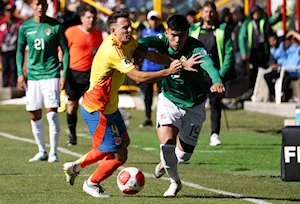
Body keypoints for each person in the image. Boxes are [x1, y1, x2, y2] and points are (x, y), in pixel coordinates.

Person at [62, 10, 198, 198]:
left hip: (110, 107)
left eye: (130, 26)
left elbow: (151, 55)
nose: (130, 29)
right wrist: (168, 72)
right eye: (125, 27)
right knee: (119, 155)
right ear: (113, 30)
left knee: (122, 143)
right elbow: (137, 77)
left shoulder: (129, 42)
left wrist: (176, 63)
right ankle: (91, 183)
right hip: (97, 109)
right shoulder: (112, 49)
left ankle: (76, 167)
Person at [137, 14, 225, 197]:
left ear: (188, 33)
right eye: (174, 35)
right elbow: (143, 41)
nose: (177, 40)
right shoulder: (161, 40)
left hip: (195, 105)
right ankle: (175, 182)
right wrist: (140, 50)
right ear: (167, 32)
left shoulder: (196, 47)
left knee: (183, 156)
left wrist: (216, 80)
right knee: (167, 146)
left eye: (182, 35)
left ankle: (164, 164)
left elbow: (208, 63)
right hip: (169, 101)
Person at [16, 0, 69, 163]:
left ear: (47, 7)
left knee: (52, 114)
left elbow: (65, 51)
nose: (40, 7)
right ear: (31, 6)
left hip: (51, 74)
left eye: (43, 4)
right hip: (32, 77)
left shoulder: (56, 26)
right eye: (37, 4)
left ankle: (53, 152)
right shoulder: (25, 27)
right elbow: (19, 51)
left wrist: (64, 74)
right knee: (34, 114)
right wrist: (20, 73)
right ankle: (42, 151)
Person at [189, 1, 233, 146]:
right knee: (193, 105)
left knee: (215, 105)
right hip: (197, 75)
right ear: (202, 12)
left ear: (215, 13)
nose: (209, 14)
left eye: (211, 11)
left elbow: (228, 52)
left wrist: (220, 75)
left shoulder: (222, 30)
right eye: (206, 11)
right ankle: (190, 133)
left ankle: (215, 134)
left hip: (215, 75)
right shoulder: (194, 29)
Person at [64, 4, 103, 146]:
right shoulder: (71, 32)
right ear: (81, 18)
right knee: (72, 105)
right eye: (88, 17)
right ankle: (72, 135)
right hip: (74, 74)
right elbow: (62, 50)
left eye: (93, 17)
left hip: (91, 75)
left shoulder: (98, 34)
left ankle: (97, 136)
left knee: (93, 106)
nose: (91, 20)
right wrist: (63, 70)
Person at [139, 10, 164, 127]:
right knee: (147, 96)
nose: (153, 22)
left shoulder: (164, 33)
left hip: (160, 69)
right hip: (147, 68)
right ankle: (147, 117)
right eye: (151, 19)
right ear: (148, 21)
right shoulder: (144, 32)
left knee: (162, 96)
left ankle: (162, 117)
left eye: (155, 19)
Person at [238, 5, 273, 89]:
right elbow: (241, 38)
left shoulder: (265, 22)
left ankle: (266, 90)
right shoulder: (247, 24)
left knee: (266, 71)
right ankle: (252, 89)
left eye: (258, 12)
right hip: (252, 53)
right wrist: (243, 52)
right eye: (255, 12)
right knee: (253, 73)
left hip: (263, 52)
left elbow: (272, 22)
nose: (257, 14)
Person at [0, 4, 22, 87]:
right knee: (5, 68)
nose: (9, 13)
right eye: (7, 11)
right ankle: (5, 84)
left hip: (13, 49)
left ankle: (13, 84)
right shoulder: (2, 22)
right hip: (4, 49)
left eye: (11, 11)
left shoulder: (17, 22)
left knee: (13, 67)